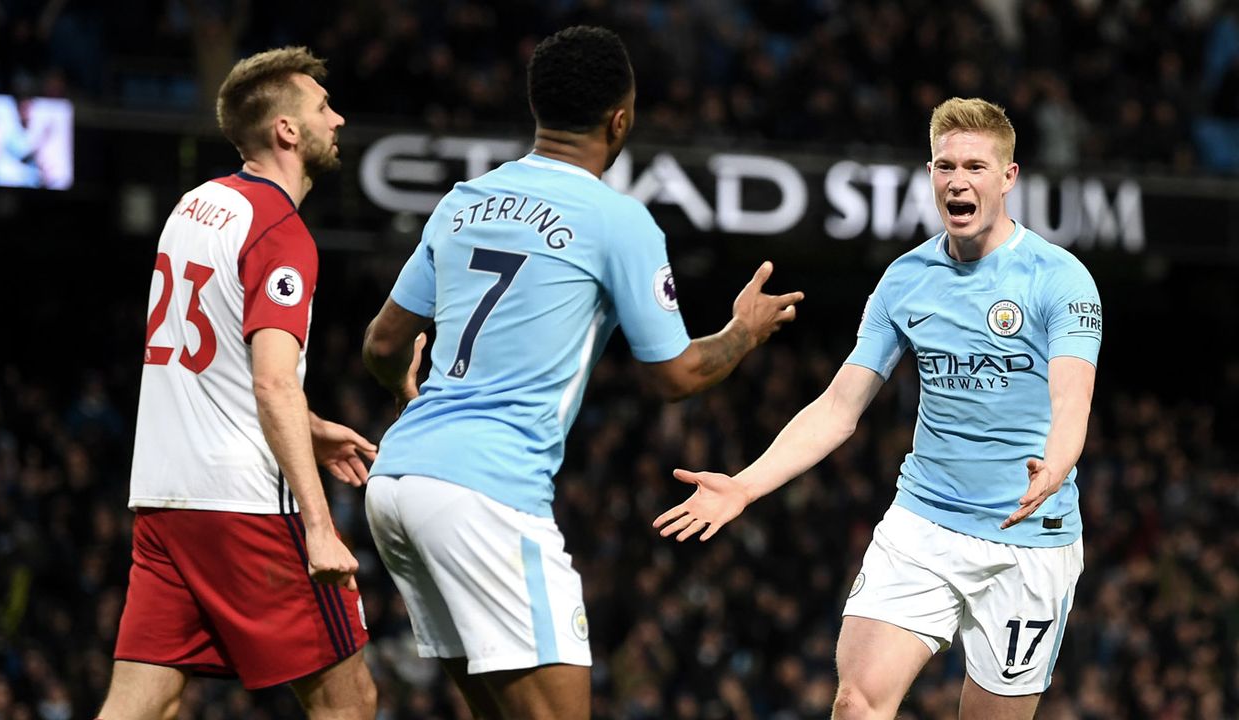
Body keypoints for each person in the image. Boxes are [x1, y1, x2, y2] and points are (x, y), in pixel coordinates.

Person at [359, 25, 803, 720]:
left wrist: (403, 394)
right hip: (489, 496)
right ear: (619, 119)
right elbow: (674, 376)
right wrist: (743, 333)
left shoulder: (462, 202)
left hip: (397, 485)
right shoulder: (616, 220)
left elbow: (385, 344)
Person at [656, 97, 1102, 719]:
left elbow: (1071, 398)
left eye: (975, 166)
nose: (958, 180)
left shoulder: (1060, 279)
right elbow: (839, 407)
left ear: (1009, 177)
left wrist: (1053, 467)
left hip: (1029, 541)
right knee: (856, 700)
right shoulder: (905, 279)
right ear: (930, 175)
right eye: (945, 166)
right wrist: (744, 487)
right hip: (923, 522)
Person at [99, 47, 384, 720]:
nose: (337, 118)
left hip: (165, 497)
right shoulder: (281, 231)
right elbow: (273, 386)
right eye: (322, 107)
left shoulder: (193, 206)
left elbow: (212, 362)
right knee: (350, 701)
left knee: (143, 704)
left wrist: (308, 431)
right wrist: (318, 525)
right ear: (286, 131)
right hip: (246, 505)